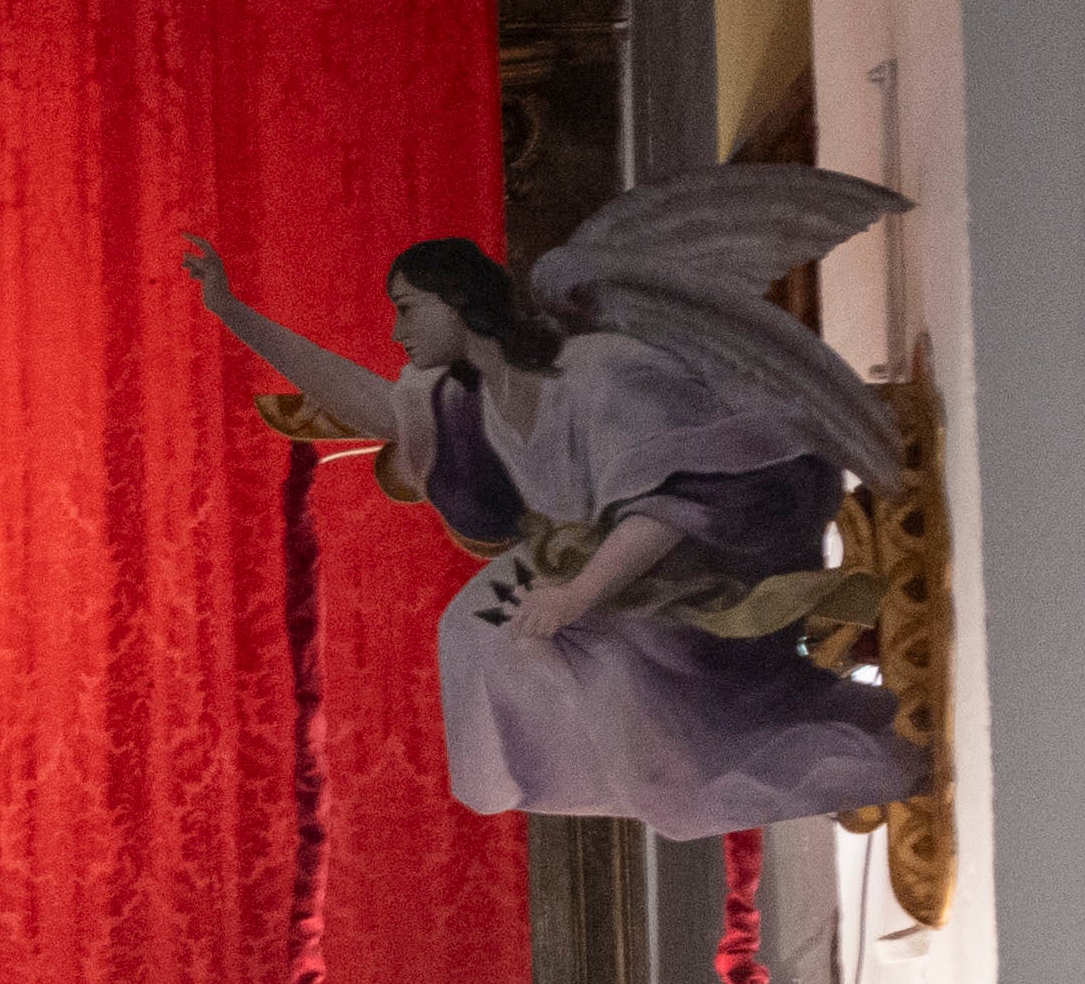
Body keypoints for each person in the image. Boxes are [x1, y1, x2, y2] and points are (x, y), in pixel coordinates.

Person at [183, 175, 928, 840]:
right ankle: (662, 760)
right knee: (481, 639)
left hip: (707, 554)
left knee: (580, 679)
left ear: (458, 303)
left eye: (407, 309)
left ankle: (698, 761)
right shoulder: (465, 398)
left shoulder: (596, 373)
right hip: (605, 572)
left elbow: (678, 499)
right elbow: (369, 404)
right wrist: (232, 312)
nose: (396, 332)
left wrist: (576, 595)